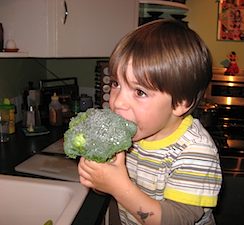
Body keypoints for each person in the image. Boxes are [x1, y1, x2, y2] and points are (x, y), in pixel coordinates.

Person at [78, 19, 222, 225]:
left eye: (139, 91)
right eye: (116, 83)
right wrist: (100, 179)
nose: (118, 102)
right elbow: (114, 188)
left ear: (181, 102)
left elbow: (177, 220)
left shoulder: (196, 151)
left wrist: (119, 186)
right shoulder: (132, 132)